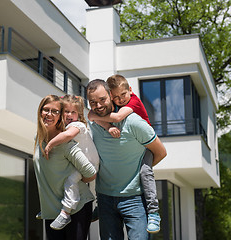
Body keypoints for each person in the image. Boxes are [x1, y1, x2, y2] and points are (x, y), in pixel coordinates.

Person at [86, 80, 167, 240]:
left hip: (135, 199)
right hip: (104, 198)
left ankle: (153, 212)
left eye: (102, 99)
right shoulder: (93, 121)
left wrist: (141, 171)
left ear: (111, 95)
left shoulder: (134, 122)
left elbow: (161, 152)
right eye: (93, 102)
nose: (98, 105)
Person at [33, 95, 97, 240]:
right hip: (51, 210)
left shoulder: (65, 142)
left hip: (76, 208)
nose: (49, 114)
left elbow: (91, 173)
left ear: (59, 116)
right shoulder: (38, 141)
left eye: (55, 111)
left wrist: (73, 180)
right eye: (46, 110)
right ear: (40, 112)